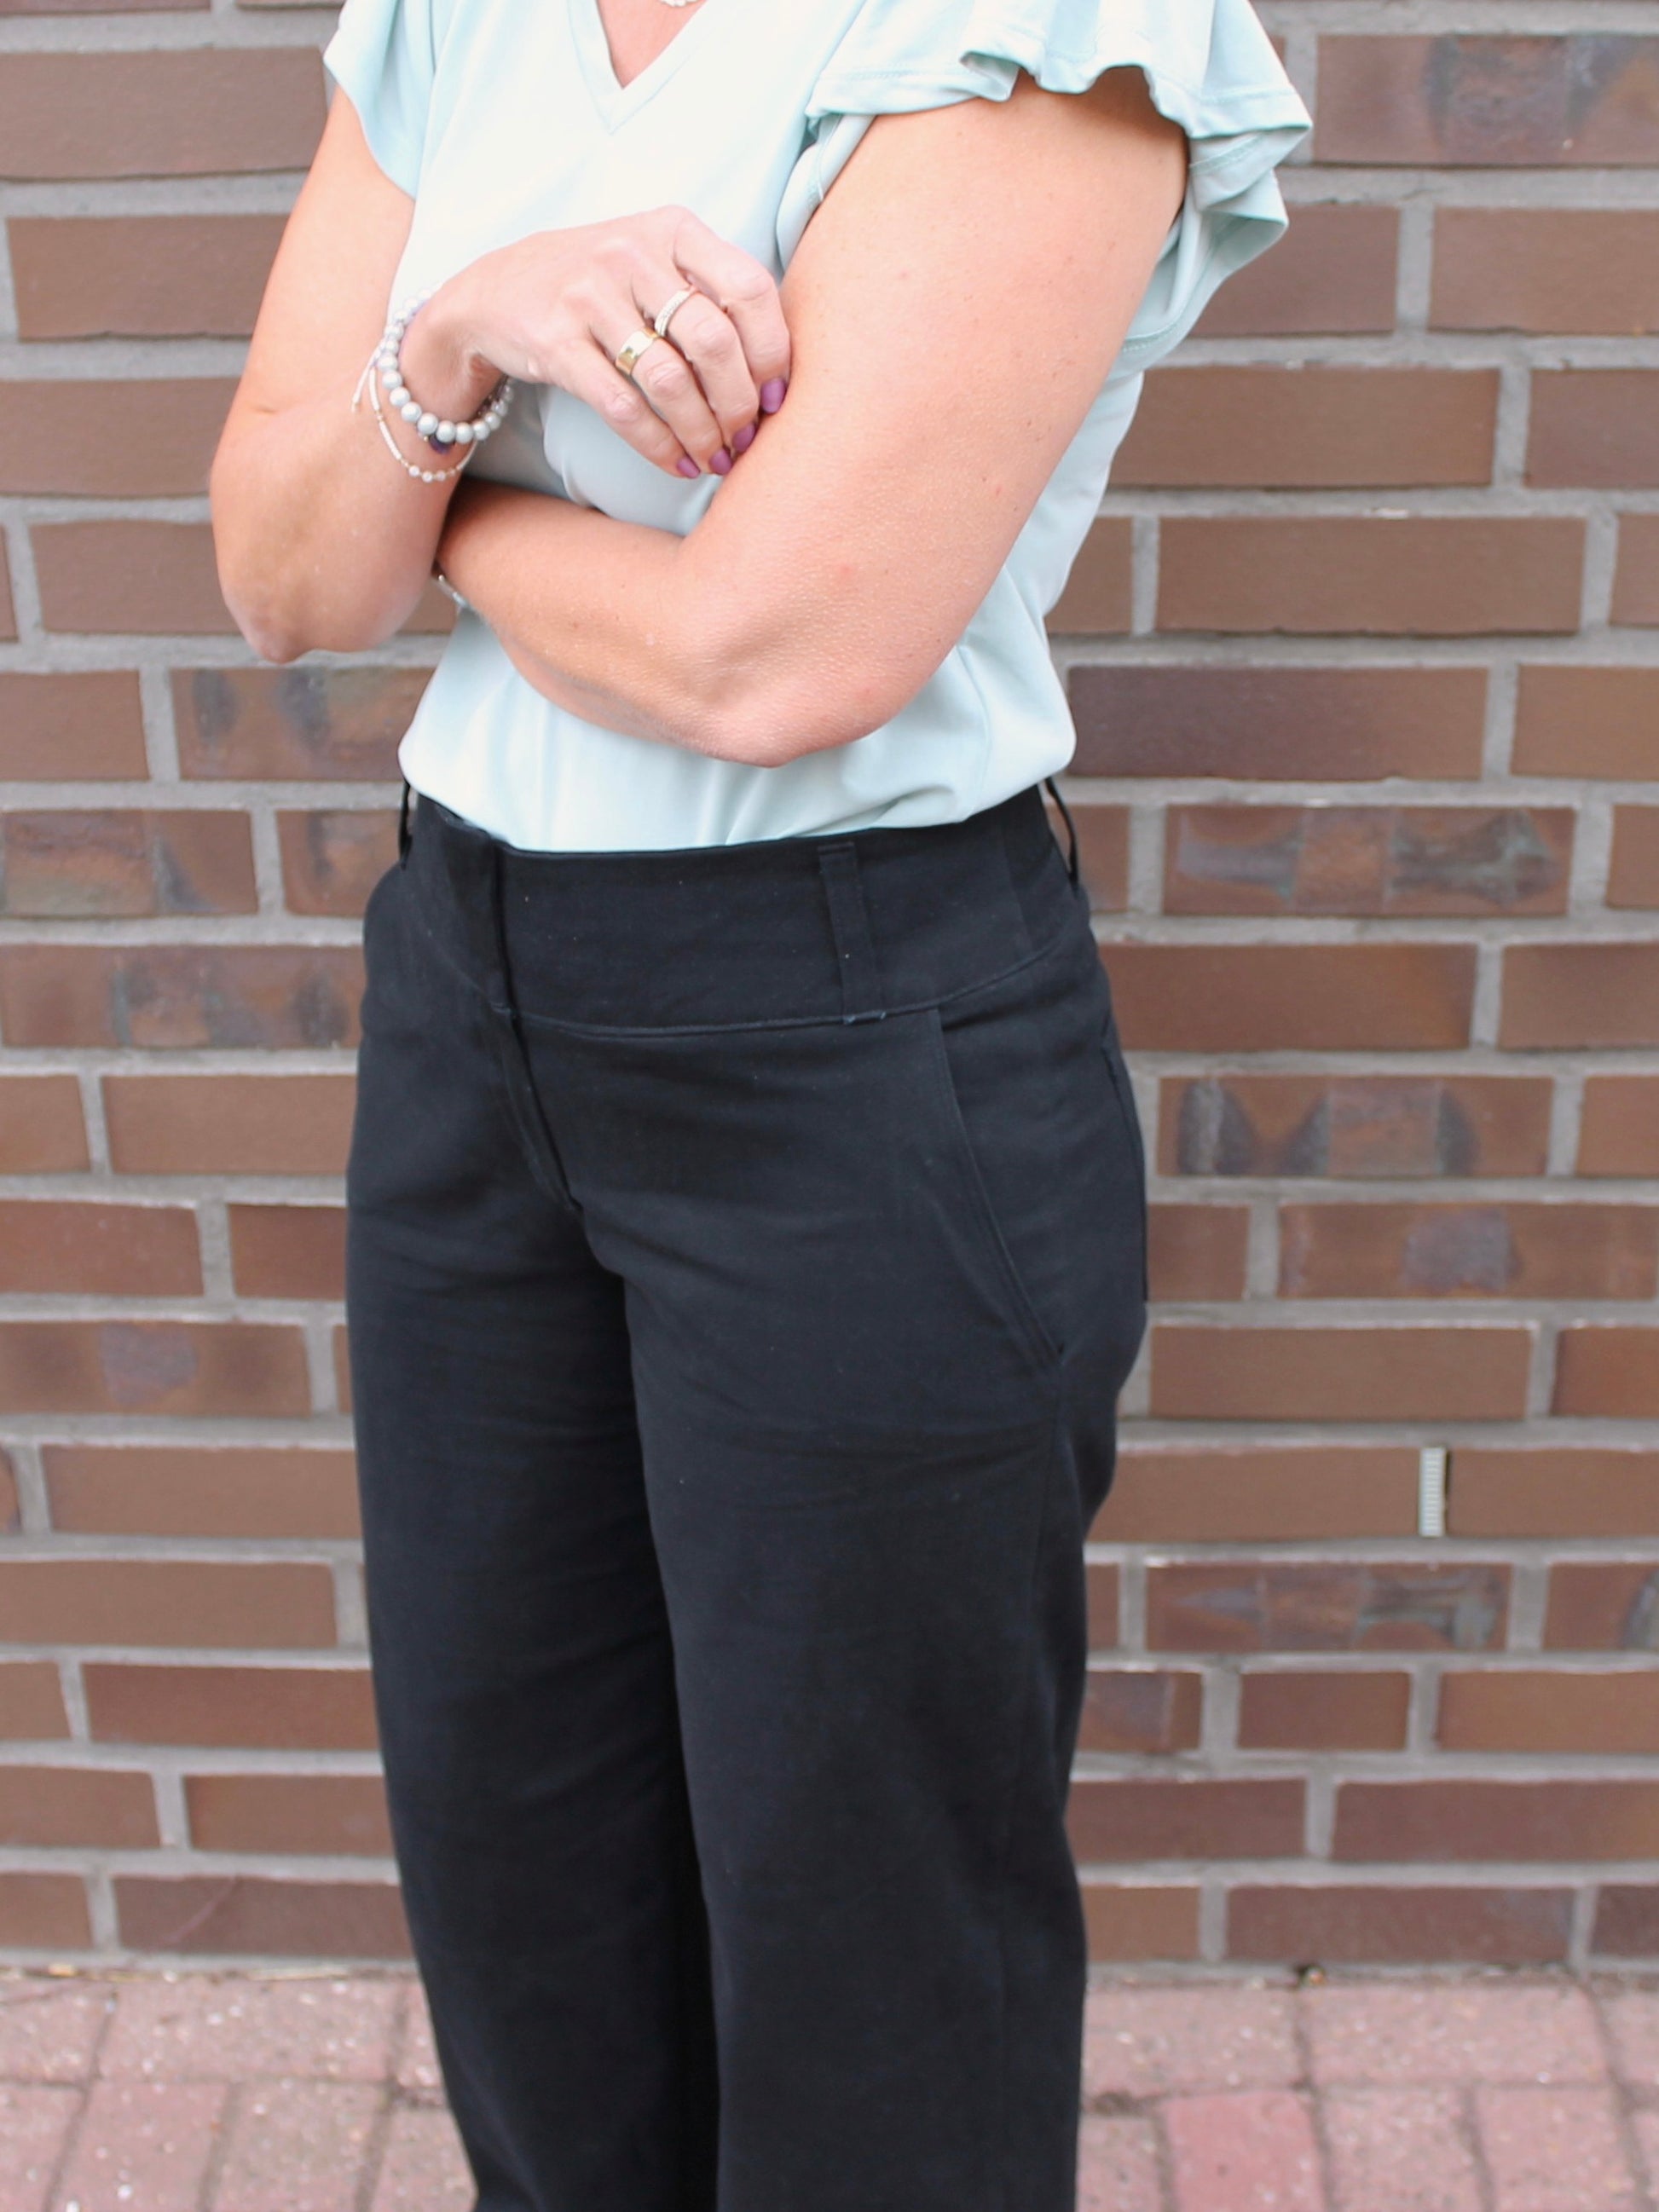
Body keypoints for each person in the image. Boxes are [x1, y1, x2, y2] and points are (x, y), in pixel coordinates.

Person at [209, 0, 1309, 2203]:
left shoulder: (1042, 29)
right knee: (522, 1889)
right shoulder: (462, 17)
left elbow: (771, 656)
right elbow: (276, 570)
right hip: (468, 1018)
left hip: (849, 1047)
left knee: (864, 1959)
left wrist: (434, 486)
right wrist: (470, 326)